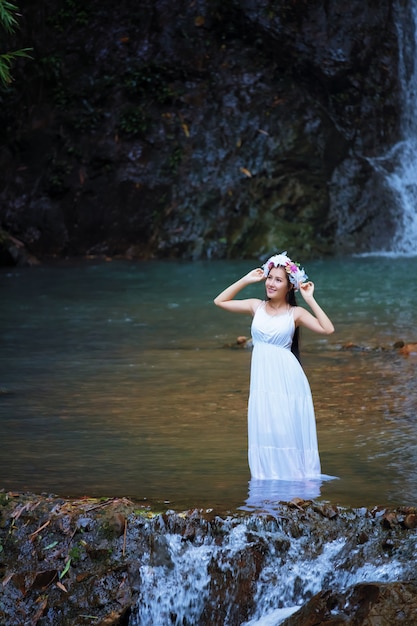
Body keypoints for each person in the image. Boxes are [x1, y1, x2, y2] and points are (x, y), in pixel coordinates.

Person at [214, 251, 334, 481]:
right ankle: (268, 480)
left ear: (290, 286)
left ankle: (293, 482)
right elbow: (220, 301)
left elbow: (328, 329)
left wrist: (310, 299)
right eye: (270, 277)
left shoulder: (295, 313)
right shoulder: (255, 306)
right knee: (265, 427)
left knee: (285, 428)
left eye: (278, 279)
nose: (270, 283)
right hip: (263, 381)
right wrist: (247, 279)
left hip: (288, 379)